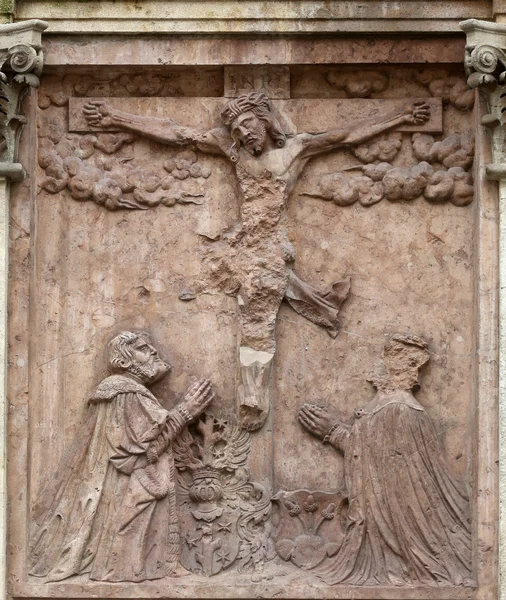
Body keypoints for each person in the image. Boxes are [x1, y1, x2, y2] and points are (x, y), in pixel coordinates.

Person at [83, 94, 429, 430]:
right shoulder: (231, 149)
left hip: (267, 251)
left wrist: (400, 117)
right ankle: (308, 317)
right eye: (235, 129)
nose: (243, 133)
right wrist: (116, 118)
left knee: (258, 324)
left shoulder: (295, 149)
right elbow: (176, 133)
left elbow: (346, 135)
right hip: (241, 247)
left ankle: (254, 399)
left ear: (265, 121)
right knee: (252, 314)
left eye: (247, 124)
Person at [29, 330, 214, 582]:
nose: (153, 351)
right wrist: (185, 412)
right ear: (125, 361)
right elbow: (141, 452)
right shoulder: (125, 392)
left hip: (138, 486)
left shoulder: (130, 391)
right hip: (130, 488)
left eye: (151, 347)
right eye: (143, 348)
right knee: (126, 554)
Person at [299, 335, 473, 586]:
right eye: (412, 365)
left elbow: (392, 475)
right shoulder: (384, 407)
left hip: (397, 531)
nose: (416, 376)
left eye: (417, 367)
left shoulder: (401, 410)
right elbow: (374, 452)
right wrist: (335, 431)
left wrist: (334, 431)